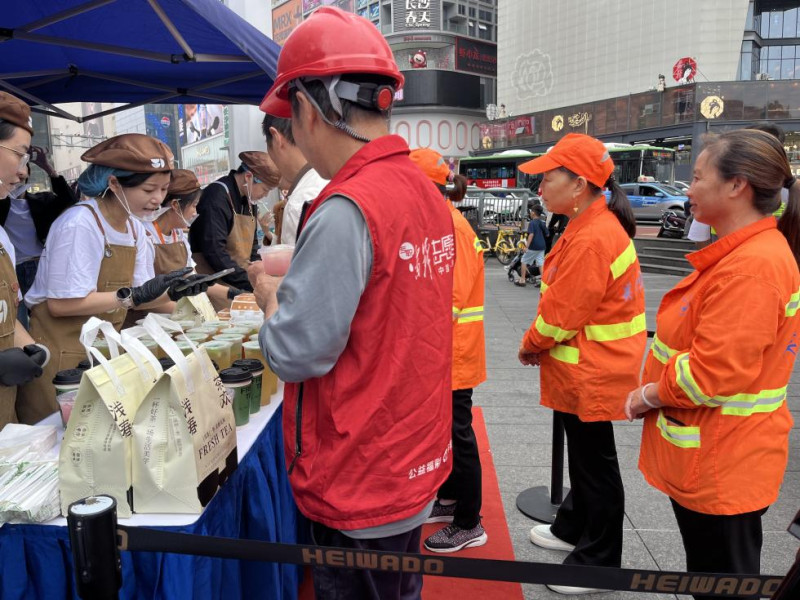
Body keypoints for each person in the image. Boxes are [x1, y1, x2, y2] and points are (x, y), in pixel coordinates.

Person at [252, 8, 454, 599]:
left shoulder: (347, 207)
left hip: (359, 473)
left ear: (310, 110)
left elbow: (296, 352)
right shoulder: (421, 188)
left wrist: (270, 301)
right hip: (410, 455)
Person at [625, 129, 800, 600]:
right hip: (718, 454)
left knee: (721, 582)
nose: (689, 188)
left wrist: (646, 396)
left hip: (725, 460)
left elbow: (712, 373)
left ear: (736, 185)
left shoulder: (752, 267)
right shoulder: (744, 255)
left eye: (698, 177)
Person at [517, 133, 646, 595]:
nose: (540, 187)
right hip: (587, 366)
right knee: (587, 457)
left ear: (579, 184)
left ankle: (599, 560)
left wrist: (530, 343)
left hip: (594, 369)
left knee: (596, 465)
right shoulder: (586, 222)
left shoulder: (593, 235)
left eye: (547, 178)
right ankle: (574, 526)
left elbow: (562, 315)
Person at [17, 133, 210, 424]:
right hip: (61, 359)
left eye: (163, 189)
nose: (157, 199)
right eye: (148, 190)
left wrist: (180, 294)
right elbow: (61, 304)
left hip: (102, 353)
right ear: (114, 183)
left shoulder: (135, 229)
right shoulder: (80, 224)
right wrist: (132, 296)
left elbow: (142, 298)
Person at [409, 148, 488, 553]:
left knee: (459, 432)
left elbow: (449, 300)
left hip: (453, 351)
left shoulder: (449, 227)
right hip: (449, 350)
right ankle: (453, 498)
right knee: (449, 430)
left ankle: (469, 521)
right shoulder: (440, 222)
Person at [0, 92, 48, 429]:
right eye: (18, 154)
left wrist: (31, 348)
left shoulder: (2, 238)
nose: (22, 172)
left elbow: (7, 312)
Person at [139, 169, 241, 315]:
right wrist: (192, 313)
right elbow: (144, 299)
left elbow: (192, 279)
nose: (195, 212)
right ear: (175, 205)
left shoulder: (178, 234)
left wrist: (233, 294)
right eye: (194, 205)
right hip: (149, 322)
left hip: (176, 319)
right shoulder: (145, 235)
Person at [0, 148, 78, 327]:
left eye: (22, 173)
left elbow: (70, 201)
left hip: (37, 265)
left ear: (27, 173)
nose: (17, 179)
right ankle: (25, 352)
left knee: (44, 317)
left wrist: (48, 168)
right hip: (11, 268)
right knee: (17, 317)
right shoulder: (2, 203)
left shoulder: (42, 200)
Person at [686, 122, 787, 249]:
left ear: (736, 185)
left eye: (697, 178)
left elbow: (700, 239)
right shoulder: (761, 250)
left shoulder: (749, 261)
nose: (689, 192)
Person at [189, 152, 280, 291]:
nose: (265, 195)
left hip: (239, 278)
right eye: (265, 189)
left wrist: (258, 272)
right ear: (248, 177)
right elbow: (215, 251)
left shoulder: (250, 200)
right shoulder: (216, 197)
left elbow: (252, 245)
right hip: (215, 281)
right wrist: (249, 281)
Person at [261, 114, 328, 246]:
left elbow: (297, 265)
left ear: (276, 138)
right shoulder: (326, 179)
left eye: (267, 144)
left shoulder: (298, 203)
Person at [517, 203, 548, 287]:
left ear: (533, 213)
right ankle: (543, 282)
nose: (530, 213)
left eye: (531, 211)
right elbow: (547, 234)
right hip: (542, 246)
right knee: (540, 263)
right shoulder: (542, 222)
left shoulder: (532, 223)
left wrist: (526, 246)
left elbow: (531, 235)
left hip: (533, 246)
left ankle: (522, 280)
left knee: (524, 260)